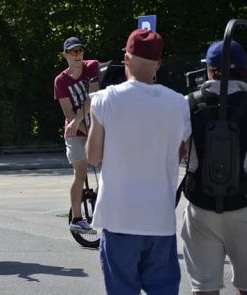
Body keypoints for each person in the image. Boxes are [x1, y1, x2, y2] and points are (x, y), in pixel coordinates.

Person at [86, 29, 191, 295]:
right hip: (159, 218)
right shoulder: (178, 103)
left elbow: (93, 156)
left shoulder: (105, 99)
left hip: (118, 215)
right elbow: (180, 152)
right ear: (158, 63)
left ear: (126, 59)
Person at [181, 40, 247, 295]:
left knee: (205, 288)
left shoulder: (190, 103)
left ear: (209, 70)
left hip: (201, 207)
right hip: (244, 204)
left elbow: (178, 150)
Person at [53, 36, 99, 234]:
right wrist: (80, 126)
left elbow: (93, 97)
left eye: (79, 51)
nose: (77, 55)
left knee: (108, 169)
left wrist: (85, 125)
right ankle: (77, 218)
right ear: (65, 55)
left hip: (95, 126)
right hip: (75, 131)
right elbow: (68, 113)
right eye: (72, 52)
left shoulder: (92, 66)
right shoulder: (60, 81)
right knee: (80, 171)